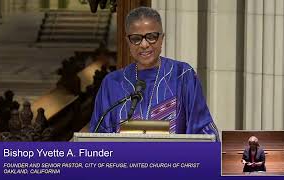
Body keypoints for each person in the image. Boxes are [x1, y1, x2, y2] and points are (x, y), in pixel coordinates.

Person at [89, 6, 219, 140]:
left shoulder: (182, 75)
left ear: (162, 38)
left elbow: (203, 132)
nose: (144, 44)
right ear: (128, 42)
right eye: (136, 38)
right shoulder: (112, 83)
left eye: (151, 37)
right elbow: (98, 138)